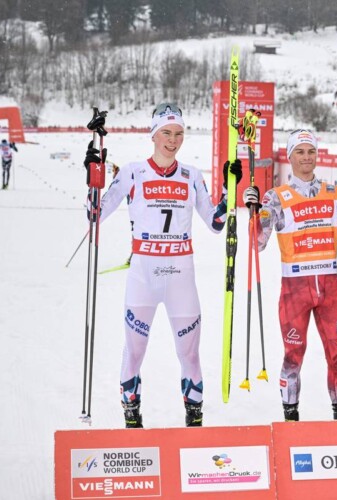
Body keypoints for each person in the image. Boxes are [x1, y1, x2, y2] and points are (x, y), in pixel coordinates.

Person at [85, 102, 242, 428]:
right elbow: (94, 214)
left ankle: (194, 419)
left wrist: (229, 189)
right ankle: (132, 417)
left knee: (190, 355)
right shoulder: (132, 172)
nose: (173, 140)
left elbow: (215, 223)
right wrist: (93, 179)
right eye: (166, 133)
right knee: (135, 350)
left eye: (179, 134)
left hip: (180, 277)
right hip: (144, 275)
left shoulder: (191, 175)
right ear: (153, 135)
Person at [242, 129, 337, 422]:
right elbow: (257, 243)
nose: (306, 157)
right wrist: (253, 212)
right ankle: (291, 419)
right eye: (300, 152)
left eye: (311, 151)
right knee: (293, 355)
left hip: (330, 289)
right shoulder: (276, 198)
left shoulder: (335, 194)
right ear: (290, 156)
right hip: (294, 291)